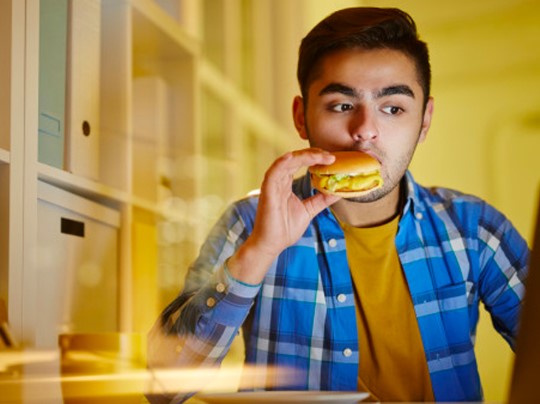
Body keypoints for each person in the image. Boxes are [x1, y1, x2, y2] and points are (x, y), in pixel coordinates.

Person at [147, 7, 529, 403]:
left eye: (393, 107)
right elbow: (163, 389)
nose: (364, 130)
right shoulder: (249, 223)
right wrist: (258, 254)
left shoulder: (475, 228)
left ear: (425, 120)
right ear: (301, 117)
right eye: (341, 105)